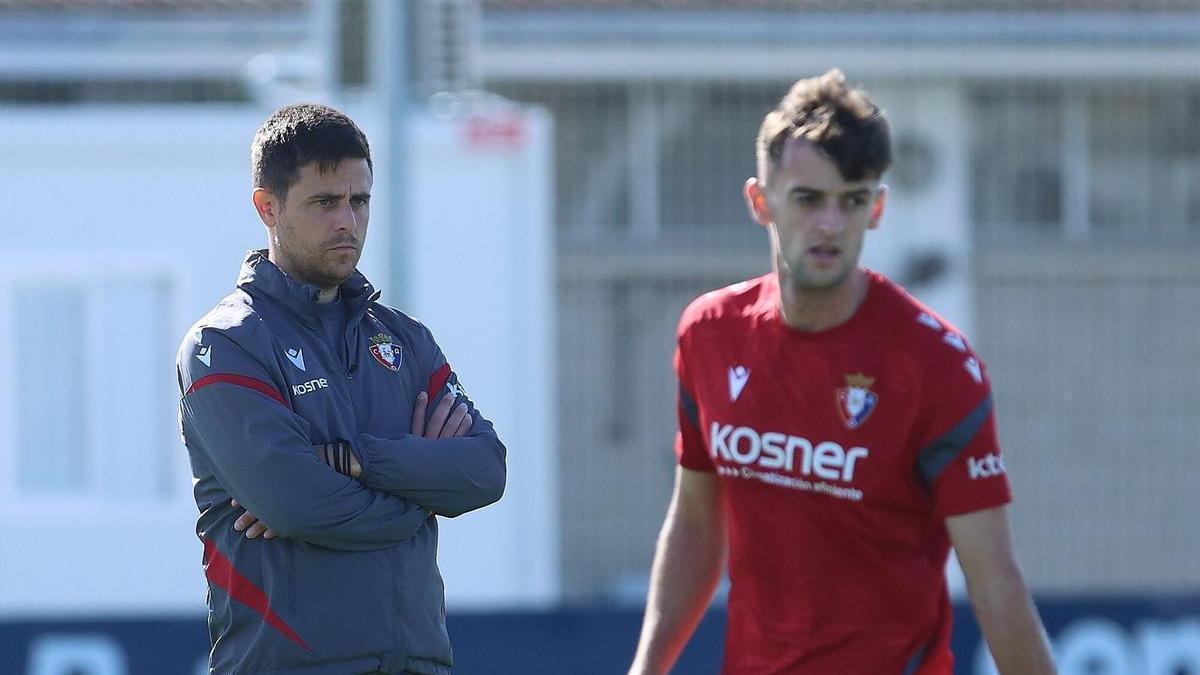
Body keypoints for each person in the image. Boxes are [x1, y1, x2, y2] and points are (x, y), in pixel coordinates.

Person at [627, 70, 1056, 674]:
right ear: (760, 201)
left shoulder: (936, 366)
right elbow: (697, 518)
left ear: (875, 209)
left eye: (852, 200)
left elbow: (996, 583)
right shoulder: (709, 334)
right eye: (808, 199)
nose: (830, 223)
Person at [176, 103, 506, 675]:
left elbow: (484, 471)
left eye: (360, 201)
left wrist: (358, 460)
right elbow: (295, 503)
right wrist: (421, 492)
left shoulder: (404, 339)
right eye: (325, 203)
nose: (347, 222)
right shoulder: (224, 344)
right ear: (267, 207)